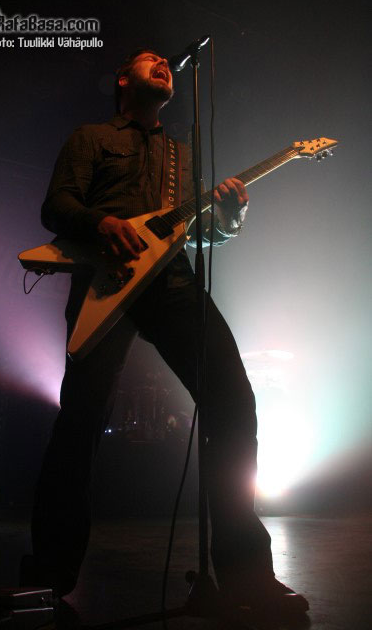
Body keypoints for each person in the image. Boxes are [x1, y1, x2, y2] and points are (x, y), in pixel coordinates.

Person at [22, 49, 309, 619]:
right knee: (79, 422)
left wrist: (230, 217)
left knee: (233, 402)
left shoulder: (182, 155)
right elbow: (56, 207)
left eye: (165, 62)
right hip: (105, 282)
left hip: (173, 283)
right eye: (149, 59)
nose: (162, 63)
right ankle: (48, 579)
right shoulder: (91, 137)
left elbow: (198, 234)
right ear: (123, 80)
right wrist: (101, 222)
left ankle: (247, 577)